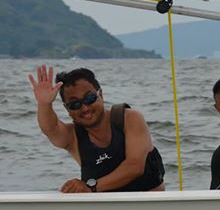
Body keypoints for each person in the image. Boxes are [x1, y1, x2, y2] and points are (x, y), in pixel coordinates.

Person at [29, 65, 165, 193]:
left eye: (90, 98)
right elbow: (50, 128)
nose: (85, 108)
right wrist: (44, 104)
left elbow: (135, 166)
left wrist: (90, 187)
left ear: (101, 95)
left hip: (149, 205)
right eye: (75, 104)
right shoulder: (72, 138)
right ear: (67, 109)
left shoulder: (129, 118)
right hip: (104, 208)